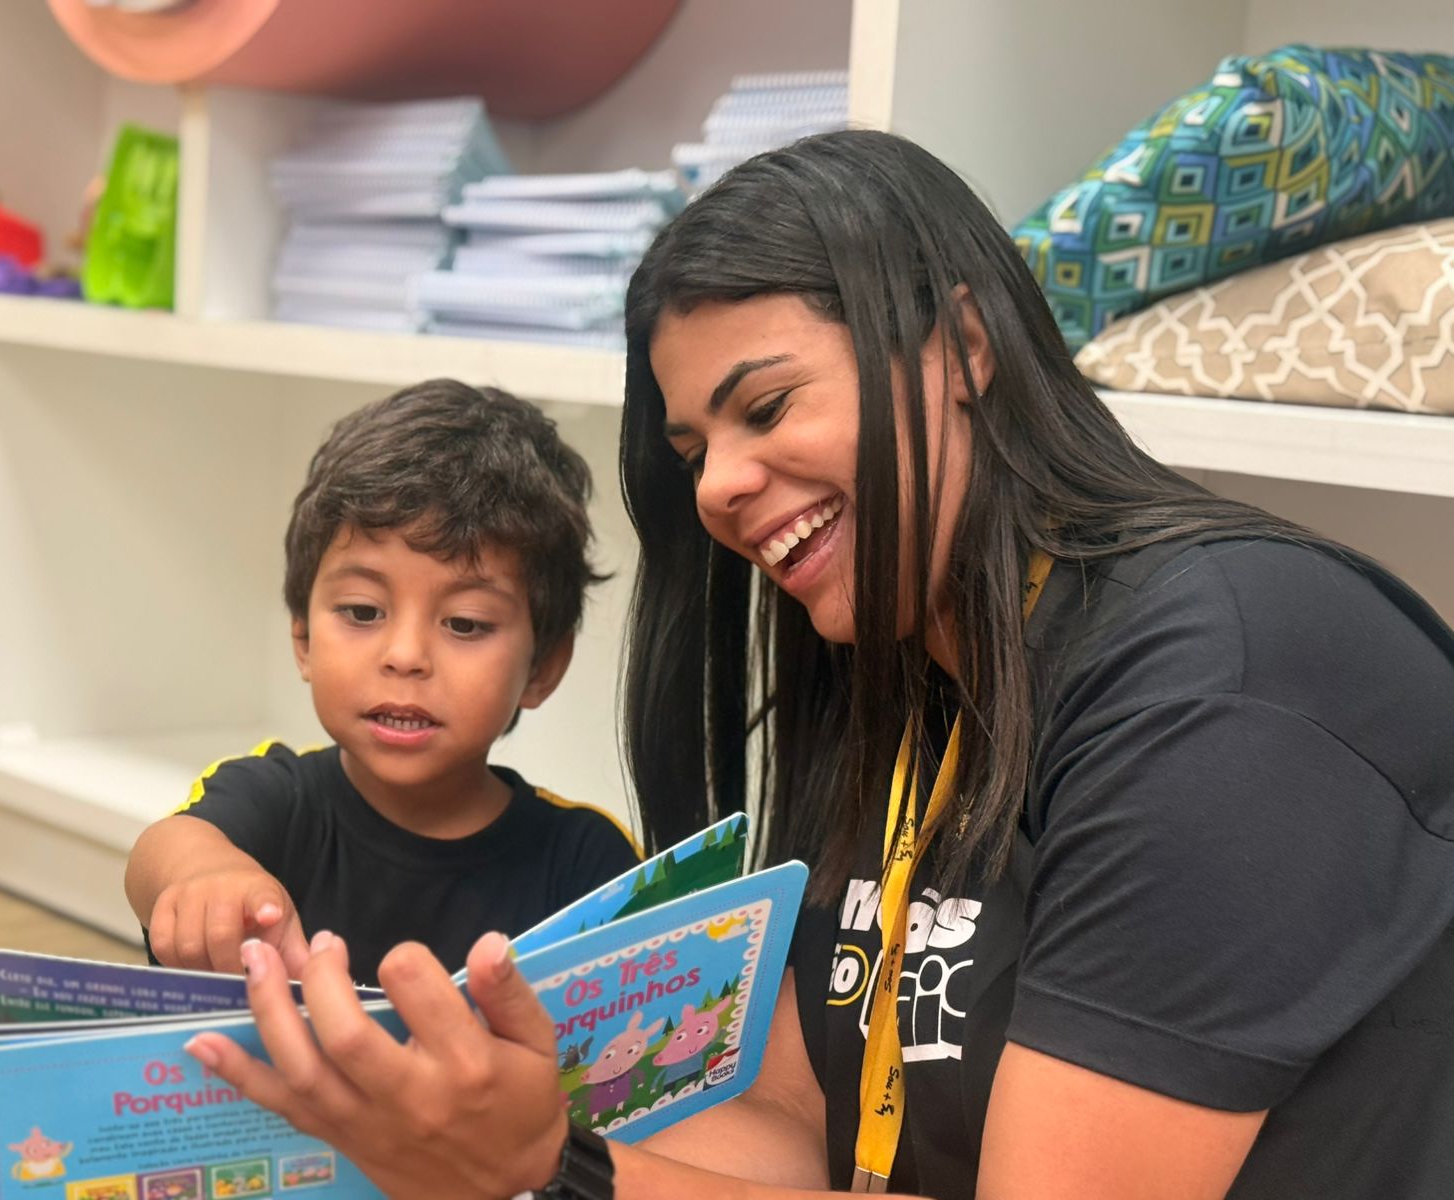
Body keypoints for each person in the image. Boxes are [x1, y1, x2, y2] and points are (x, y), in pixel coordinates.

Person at [181, 131, 1454, 1199]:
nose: (721, 489)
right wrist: (474, 1150)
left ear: (960, 350)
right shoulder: (894, 684)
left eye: (767, 407)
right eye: (692, 448)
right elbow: (789, 1132)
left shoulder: (1224, 681)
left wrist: (538, 1169)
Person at [124, 380, 641, 987]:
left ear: (543, 667)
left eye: (465, 623)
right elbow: (163, 850)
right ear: (303, 640)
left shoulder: (587, 861)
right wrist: (204, 876)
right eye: (363, 612)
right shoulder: (275, 798)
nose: (405, 656)